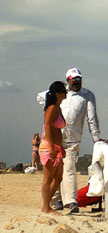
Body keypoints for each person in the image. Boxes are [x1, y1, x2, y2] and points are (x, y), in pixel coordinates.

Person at [37, 68, 101, 213]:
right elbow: (41, 98)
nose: (77, 82)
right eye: (74, 79)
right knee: (52, 175)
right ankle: (51, 203)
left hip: (72, 139)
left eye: (79, 79)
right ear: (68, 81)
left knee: (68, 170)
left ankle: (70, 201)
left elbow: (92, 118)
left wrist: (96, 138)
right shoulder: (58, 99)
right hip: (52, 143)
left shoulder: (87, 95)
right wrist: (49, 106)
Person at [39, 81, 67, 214]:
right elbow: (48, 126)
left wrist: (60, 147)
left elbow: (56, 129)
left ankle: (47, 203)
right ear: (58, 94)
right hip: (48, 146)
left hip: (56, 146)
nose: (66, 94)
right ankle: (45, 206)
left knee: (58, 177)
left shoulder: (57, 108)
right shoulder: (52, 108)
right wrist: (51, 147)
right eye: (63, 92)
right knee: (48, 177)